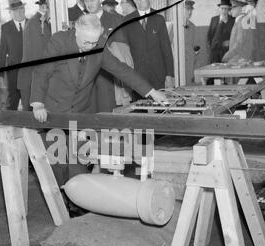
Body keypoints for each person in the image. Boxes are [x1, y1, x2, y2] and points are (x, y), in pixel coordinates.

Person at [30, 15, 166, 186]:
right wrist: (38, 104)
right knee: (58, 165)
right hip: (53, 111)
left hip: (79, 113)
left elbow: (120, 69)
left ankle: (76, 206)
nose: (90, 48)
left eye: (94, 43)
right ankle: (64, 202)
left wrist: (151, 92)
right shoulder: (59, 42)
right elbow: (42, 72)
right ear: (76, 31)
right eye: (86, 43)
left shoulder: (98, 45)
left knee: (78, 166)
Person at [84, 0, 129, 112]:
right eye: (85, 0)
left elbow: (122, 49)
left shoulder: (115, 19)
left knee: (107, 115)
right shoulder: (80, 21)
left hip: (107, 76)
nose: (88, 3)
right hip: (85, 77)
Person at [123, 0, 174, 95]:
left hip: (159, 76)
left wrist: (169, 74)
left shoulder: (159, 19)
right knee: (140, 108)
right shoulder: (127, 21)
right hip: (138, 77)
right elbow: (125, 51)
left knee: (160, 107)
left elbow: (166, 48)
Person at [17, 0, 51, 111]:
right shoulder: (35, 24)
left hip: (37, 78)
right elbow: (37, 55)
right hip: (32, 79)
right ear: (44, 7)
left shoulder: (44, 22)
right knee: (33, 121)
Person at [0, 0, 29, 111]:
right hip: (13, 73)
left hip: (30, 71)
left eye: (21, 9)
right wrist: (0, 75)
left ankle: (35, 127)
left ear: (24, 9)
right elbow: (2, 52)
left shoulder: (33, 24)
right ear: (10, 13)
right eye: (15, 11)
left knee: (30, 104)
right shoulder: (5, 28)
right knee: (12, 104)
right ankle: (11, 127)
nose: (18, 12)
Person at [183, 0, 200, 85]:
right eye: (187, 9)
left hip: (189, 66)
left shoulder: (193, 27)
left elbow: (196, 50)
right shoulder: (174, 27)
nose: (190, 12)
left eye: (191, 10)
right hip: (178, 66)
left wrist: (196, 69)